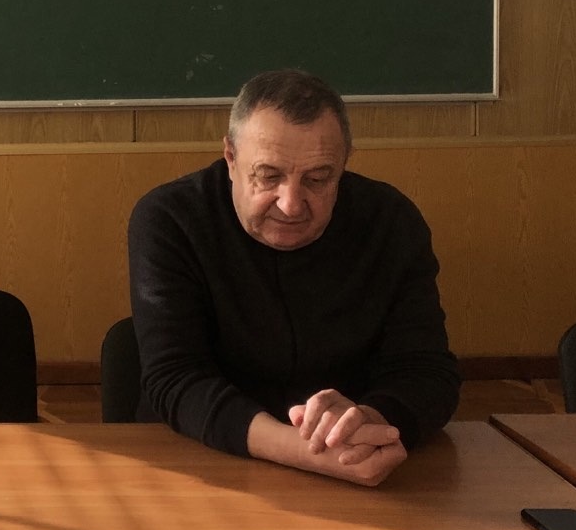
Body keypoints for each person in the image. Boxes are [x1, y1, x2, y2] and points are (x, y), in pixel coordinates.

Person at [127, 69, 460, 487]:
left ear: (345, 163)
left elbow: (428, 371)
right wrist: (308, 453)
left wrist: (369, 422)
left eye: (318, 179)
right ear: (230, 158)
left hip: (356, 467)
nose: (291, 204)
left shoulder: (391, 222)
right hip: (198, 466)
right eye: (268, 176)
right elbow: (176, 378)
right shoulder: (169, 219)